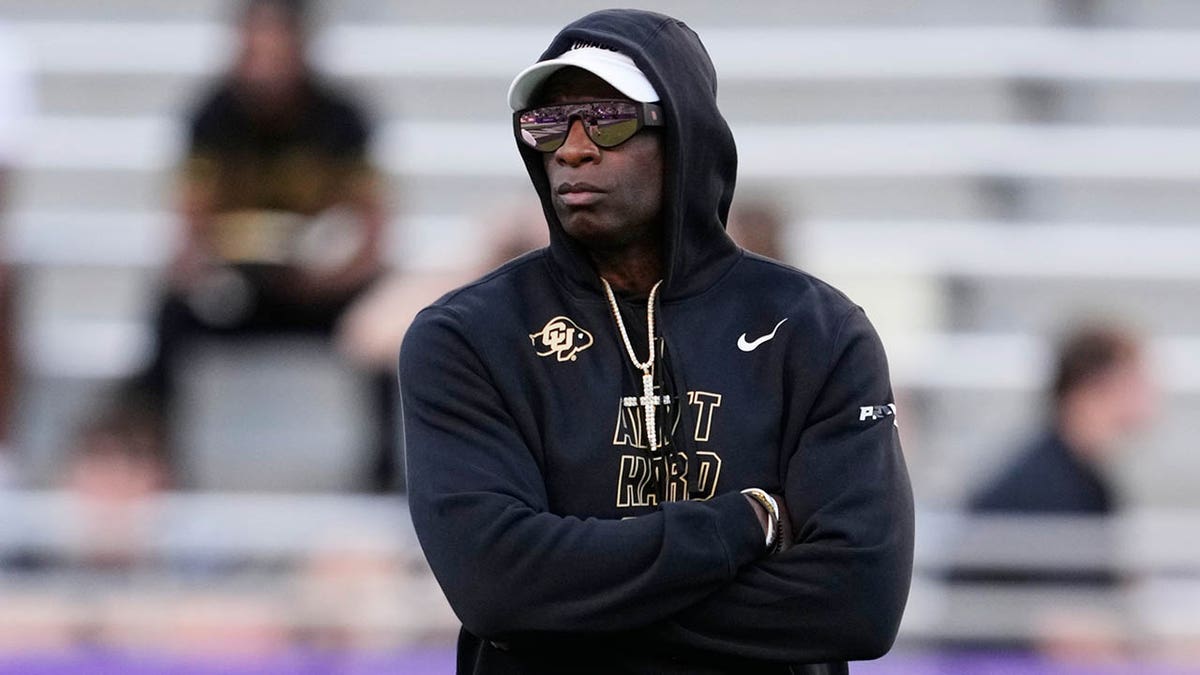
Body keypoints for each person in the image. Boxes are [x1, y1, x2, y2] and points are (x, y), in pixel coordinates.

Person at [399, 10, 913, 674]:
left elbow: (858, 603)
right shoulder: (467, 336)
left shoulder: (815, 329)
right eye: (549, 123)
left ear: (685, 133)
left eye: (608, 119)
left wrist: (572, 611)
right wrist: (745, 523)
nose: (573, 149)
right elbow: (498, 588)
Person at [129, 0, 396, 490]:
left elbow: (374, 232)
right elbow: (188, 225)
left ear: (302, 48)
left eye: (277, 51)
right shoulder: (210, 115)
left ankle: (386, 473)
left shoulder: (341, 118)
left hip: (319, 291)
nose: (266, 68)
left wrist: (329, 277)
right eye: (256, 51)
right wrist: (206, 270)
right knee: (169, 313)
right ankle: (156, 466)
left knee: (390, 319)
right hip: (238, 289)